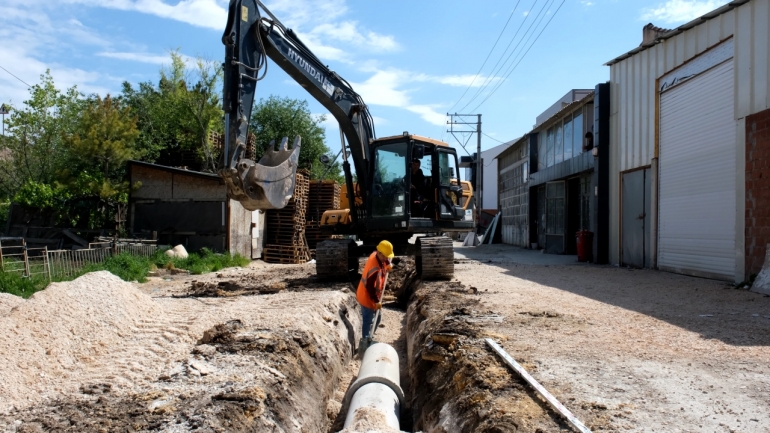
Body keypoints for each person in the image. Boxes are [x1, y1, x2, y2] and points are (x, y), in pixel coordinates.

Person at [357, 240, 394, 352]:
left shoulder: (377, 255)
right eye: (386, 257)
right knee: (368, 320)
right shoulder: (374, 267)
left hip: (373, 295)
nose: (386, 258)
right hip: (366, 296)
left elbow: (384, 258)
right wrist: (377, 301)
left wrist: (387, 264)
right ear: (380, 253)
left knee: (377, 318)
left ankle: (370, 337)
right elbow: (369, 287)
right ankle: (365, 342)